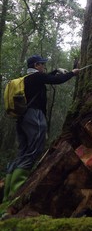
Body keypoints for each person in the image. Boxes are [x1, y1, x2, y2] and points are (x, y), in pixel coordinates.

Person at [2, 54, 80, 202]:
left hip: (22, 119)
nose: (44, 67)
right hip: (34, 117)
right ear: (36, 65)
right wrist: (72, 73)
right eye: (42, 65)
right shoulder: (37, 78)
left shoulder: (27, 79)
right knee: (33, 151)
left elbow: (47, 78)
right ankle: (16, 192)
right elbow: (55, 80)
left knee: (22, 153)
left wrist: (56, 69)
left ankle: (7, 195)